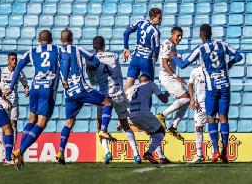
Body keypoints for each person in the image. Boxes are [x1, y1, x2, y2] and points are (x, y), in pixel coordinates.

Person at [171, 24, 243, 163]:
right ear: (210, 33)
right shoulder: (222, 44)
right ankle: (224, 153)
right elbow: (239, 56)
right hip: (225, 86)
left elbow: (183, 65)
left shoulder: (200, 49)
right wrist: (229, 64)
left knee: (211, 118)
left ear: (201, 34)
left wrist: (174, 57)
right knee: (223, 118)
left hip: (212, 88)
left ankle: (215, 152)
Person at [5, 30, 67, 169]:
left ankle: (19, 150)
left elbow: (18, 67)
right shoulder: (57, 49)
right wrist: (65, 76)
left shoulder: (31, 51)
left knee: (31, 120)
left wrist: (11, 86)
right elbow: (67, 59)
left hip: (34, 89)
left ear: (39, 40)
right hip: (47, 89)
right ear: (51, 39)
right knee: (41, 123)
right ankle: (20, 150)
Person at [56, 29, 115, 165]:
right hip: (81, 89)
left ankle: (60, 151)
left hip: (68, 93)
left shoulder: (57, 52)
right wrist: (90, 67)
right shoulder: (77, 49)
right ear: (72, 38)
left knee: (69, 123)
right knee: (107, 103)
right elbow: (94, 61)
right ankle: (103, 130)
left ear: (61, 39)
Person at [86, 36, 141, 164]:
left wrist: (91, 72)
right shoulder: (113, 55)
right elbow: (118, 72)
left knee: (100, 126)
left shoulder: (91, 61)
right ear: (104, 45)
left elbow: (94, 82)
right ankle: (136, 155)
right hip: (119, 94)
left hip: (105, 96)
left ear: (94, 47)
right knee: (125, 124)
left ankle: (107, 153)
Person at [156, 26, 191, 142]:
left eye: (181, 36)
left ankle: (174, 127)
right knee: (186, 98)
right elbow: (165, 64)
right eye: (178, 36)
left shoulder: (173, 46)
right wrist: (177, 77)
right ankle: (162, 115)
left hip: (169, 77)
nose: (180, 38)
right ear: (172, 34)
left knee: (187, 100)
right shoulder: (167, 44)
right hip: (167, 76)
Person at [126, 74, 171, 164]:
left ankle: (161, 157)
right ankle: (149, 153)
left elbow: (124, 102)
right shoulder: (151, 84)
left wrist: (122, 120)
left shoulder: (131, 88)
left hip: (130, 116)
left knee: (154, 133)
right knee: (161, 131)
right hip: (142, 114)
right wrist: (166, 94)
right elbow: (164, 100)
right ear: (149, 80)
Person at [122, 8, 162, 91]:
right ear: (152, 18)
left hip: (135, 58)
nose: (161, 20)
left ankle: (126, 103)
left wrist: (126, 48)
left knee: (129, 84)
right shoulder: (155, 32)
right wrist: (154, 60)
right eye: (159, 18)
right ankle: (146, 104)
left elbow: (126, 32)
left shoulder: (140, 22)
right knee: (148, 87)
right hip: (146, 60)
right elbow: (157, 49)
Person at [0, 52, 29, 162]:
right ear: (8, 60)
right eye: (12, 59)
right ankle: (3, 152)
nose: (14, 61)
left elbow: (25, 84)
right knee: (4, 127)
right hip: (2, 102)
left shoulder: (19, 72)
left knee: (13, 125)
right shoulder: (2, 72)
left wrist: (26, 89)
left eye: (15, 59)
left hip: (14, 102)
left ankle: (11, 150)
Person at [188, 65, 207, 163]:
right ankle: (199, 155)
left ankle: (215, 153)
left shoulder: (214, 69)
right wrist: (192, 99)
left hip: (212, 102)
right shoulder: (195, 71)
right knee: (198, 127)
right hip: (199, 104)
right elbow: (190, 85)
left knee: (214, 126)